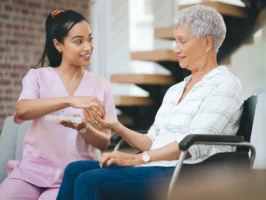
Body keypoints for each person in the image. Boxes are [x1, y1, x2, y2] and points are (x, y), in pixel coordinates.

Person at [57, 5, 244, 200]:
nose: (176, 49)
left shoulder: (225, 84)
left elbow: (195, 144)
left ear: (207, 43)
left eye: (182, 41)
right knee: (75, 170)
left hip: (189, 172)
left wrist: (136, 158)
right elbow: (151, 141)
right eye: (175, 41)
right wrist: (117, 127)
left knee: (88, 180)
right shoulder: (176, 90)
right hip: (157, 165)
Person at [0, 9, 116, 200]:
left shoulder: (101, 86)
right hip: (31, 172)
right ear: (58, 44)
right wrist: (69, 100)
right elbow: (23, 110)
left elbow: (104, 141)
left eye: (90, 39)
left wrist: (84, 128)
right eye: (79, 41)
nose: (88, 47)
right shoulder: (37, 77)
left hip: (71, 174)